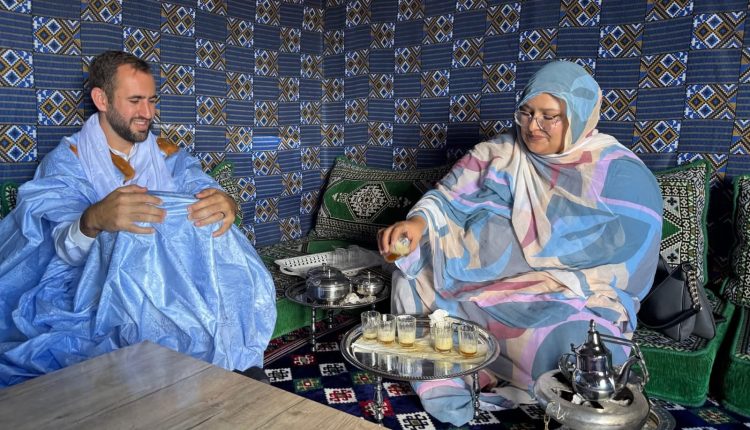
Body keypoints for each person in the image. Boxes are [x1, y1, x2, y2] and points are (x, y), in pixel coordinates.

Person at [378, 61, 663, 425]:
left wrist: (539, 255)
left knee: (576, 345)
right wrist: (416, 225)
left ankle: (490, 369)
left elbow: (630, 248)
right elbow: (447, 199)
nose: (532, 126)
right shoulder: (500, 153)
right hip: (482, 274)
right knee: (409, 272)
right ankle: (449, 375)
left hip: (570, 289)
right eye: (526, 112)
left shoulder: (616, 170)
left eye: (549, 116)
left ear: (579, 116)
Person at [0, 51, 276, 386]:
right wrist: (93, 219)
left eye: (152, 100)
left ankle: (236, 367)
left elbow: (201, 187)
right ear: (101, 99)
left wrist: (224, 202)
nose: (147, 112)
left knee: (213, 224)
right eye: (135, 101)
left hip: (180, 276)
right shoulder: (67, 162)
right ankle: (205, 378)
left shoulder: (168, 155)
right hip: (94, 285)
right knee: (131, 233)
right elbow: (60, 252)